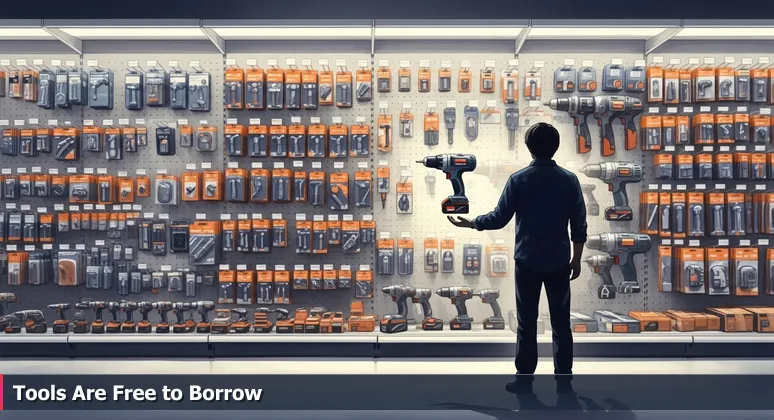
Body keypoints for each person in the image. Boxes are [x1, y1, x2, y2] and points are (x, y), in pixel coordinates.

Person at [448, 122, 587, 379]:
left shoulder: (518, 179)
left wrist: (473, 222)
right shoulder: (569, 180)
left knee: (526, 322)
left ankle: (524, 375)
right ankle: (564, 374)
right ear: (555, 147)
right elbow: (579, 225)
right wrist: (576, 260)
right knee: (560, 322)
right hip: (559, 261)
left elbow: (500, 218)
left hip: (527, 261)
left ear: (529, 148)